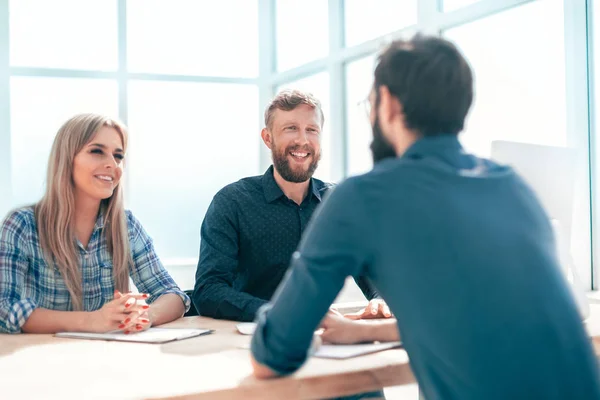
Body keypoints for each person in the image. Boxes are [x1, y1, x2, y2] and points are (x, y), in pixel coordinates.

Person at [250, 34, 600, 400]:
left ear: (387, 103)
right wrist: (364, 331)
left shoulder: (364, 197)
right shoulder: (513, 187)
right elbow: (472, 322)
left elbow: (273, 355)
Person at [192, 90, 389, 322]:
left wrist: (381, 299)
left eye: (312, 130)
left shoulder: (339, 203)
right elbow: (208, 290)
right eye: (291, 128)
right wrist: (282, 311)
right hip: (246, 337)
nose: (303, 140)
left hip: (319, 337)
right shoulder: (232, 202)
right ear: (268, 138)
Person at [0, 113, 190, 334]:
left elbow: (173, 295)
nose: (112, 165)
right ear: (67, 158)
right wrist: (92, 321)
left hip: (107, 358)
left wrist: (145, 315)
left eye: (118, 156)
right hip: (41, 359)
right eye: (97, 151)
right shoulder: (23, 225)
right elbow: (4, 309)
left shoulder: (125, 225)